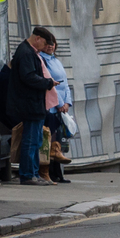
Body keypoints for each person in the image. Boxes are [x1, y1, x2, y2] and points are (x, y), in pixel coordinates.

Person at [4, 27, 57, 185]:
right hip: (30, 104)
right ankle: (28, 174)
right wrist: (48, 83)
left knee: (36, 140)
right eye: (45, 43)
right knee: (31, 140)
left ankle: (33, 173)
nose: (45, 47)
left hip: (33, 103)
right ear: (38, 39)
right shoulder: (26, 53)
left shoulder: (29, 51)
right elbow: (28, 77)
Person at [39, 33, 74, 184]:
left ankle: (58, 174)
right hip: (51, 108)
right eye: (47, 43)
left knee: (58, 143)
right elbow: (51, 84)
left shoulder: (56, 61)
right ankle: (48, 173)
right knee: (49, 143)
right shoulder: (42, 60)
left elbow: (64, 84)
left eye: (52, 43)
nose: (50, 45)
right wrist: (60, 104)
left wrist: (67, 102)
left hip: (60, 108)